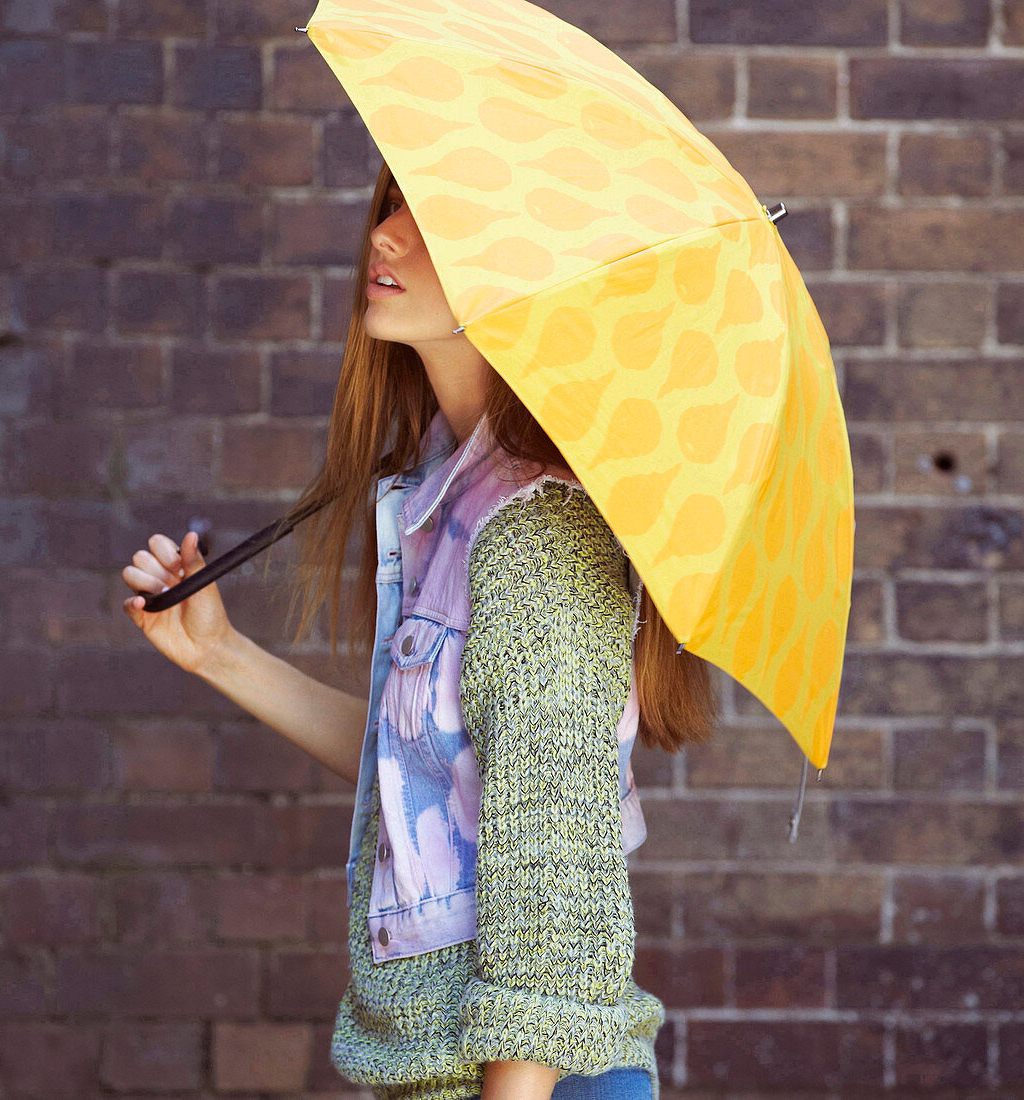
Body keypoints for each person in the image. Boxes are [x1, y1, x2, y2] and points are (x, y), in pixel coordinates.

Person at [122, 161, 718, 1100]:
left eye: (432, 216)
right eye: (390, 206)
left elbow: (554, 884)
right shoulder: (447, 500)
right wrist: (218, 653)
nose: (384, 236)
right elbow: (417, 770)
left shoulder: (536, 535)